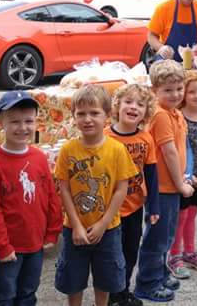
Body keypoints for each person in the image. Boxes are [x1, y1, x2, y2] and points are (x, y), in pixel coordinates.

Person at [54, 85, 138, 306]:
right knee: (73, 279)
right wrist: (77, 225)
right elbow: (63, 188)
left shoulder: (117, 150)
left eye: (94, 113)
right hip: (74, 228)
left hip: (108, 229)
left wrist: (103, 223)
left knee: (106, 278)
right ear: (73, 117)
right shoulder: (68, 150)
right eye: (81, 114)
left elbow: (122, 189)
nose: (87, 119)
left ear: (107, 116)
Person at [0, 91, 62, 306]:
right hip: (10, 247)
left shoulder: (38, 157)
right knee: (4, 294)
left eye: (28, 121)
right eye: (14, 121)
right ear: (0, 123)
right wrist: (2, 245)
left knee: (28, 291)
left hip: (35, 242)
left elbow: (50, 196)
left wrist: (52, 232)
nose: (22, 127)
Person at [135, 60, 195, 303]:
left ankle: (159, 274)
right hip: (162, 187)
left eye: (179, 88)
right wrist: (181, 184)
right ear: (154, 91)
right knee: (157, 237)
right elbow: (169, 151)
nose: (175, 94)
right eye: (167, 90)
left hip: (172, 185)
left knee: (167, 236)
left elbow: (182, 148)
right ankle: (147, 283)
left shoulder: (176, 113)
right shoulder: (160, 115)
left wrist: (185, 175)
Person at [106, 84, 160, 306]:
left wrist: (154, 207)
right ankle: (109, 294)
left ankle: (123, 291)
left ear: (146, 112)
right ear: (117, 106)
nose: (133, 107)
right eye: (128, 102)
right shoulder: (105, 136)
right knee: (111, 256)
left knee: (130, 252)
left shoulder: (146, 138)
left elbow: (152, 174)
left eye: (140, 104)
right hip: (109, 210)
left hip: (135, 206)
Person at [167, 70, 197, 279]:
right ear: (184, 94)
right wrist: (182, 177)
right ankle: (174, 255)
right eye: (192, 91)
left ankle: (190, 251)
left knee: (192, 216)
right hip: (182, 178)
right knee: (180, 216)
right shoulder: (178, 117)